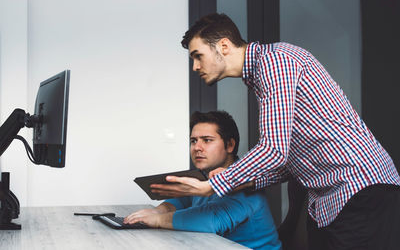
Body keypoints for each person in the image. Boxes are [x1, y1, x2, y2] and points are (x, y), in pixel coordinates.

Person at [150, 13, 400, 249]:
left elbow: (273, 150)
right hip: (333, 199)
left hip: (361, 190)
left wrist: (216, 184)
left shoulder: (275, 62)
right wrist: (241, 180)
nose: (195, 66)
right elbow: (288, 160)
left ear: (223, 46)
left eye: (198, 55)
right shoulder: (262, 76)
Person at [124, 111, 282, 250]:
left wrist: (158, 220)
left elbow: (212, 220)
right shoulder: (203, 177)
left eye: (207, 140)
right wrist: (157, 211)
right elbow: (181, 201)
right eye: (193, 141)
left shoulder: (245, 183)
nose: (197, 147)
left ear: (230, 145)